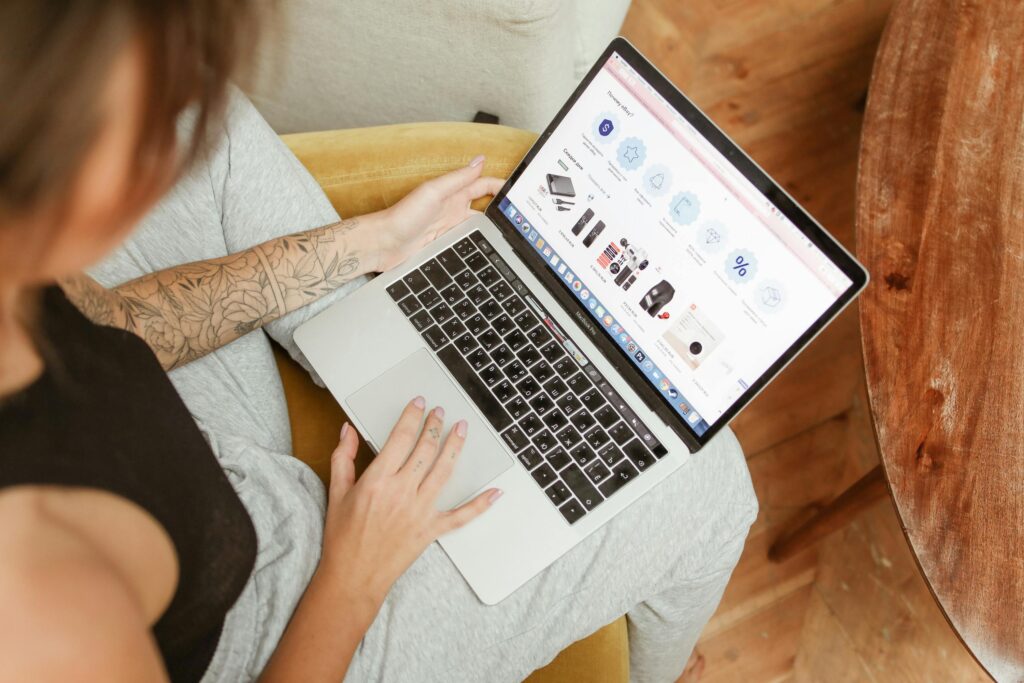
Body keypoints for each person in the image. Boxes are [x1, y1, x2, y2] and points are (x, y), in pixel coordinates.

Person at [0, 2, 758, 682]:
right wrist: (356, 569)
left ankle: (386, 335)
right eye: (128, 124)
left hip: (204, 467)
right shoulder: (46, 616)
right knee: (711, 481)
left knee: (205, 118)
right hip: (281, 622)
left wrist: (366, 242)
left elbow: (112, 333)